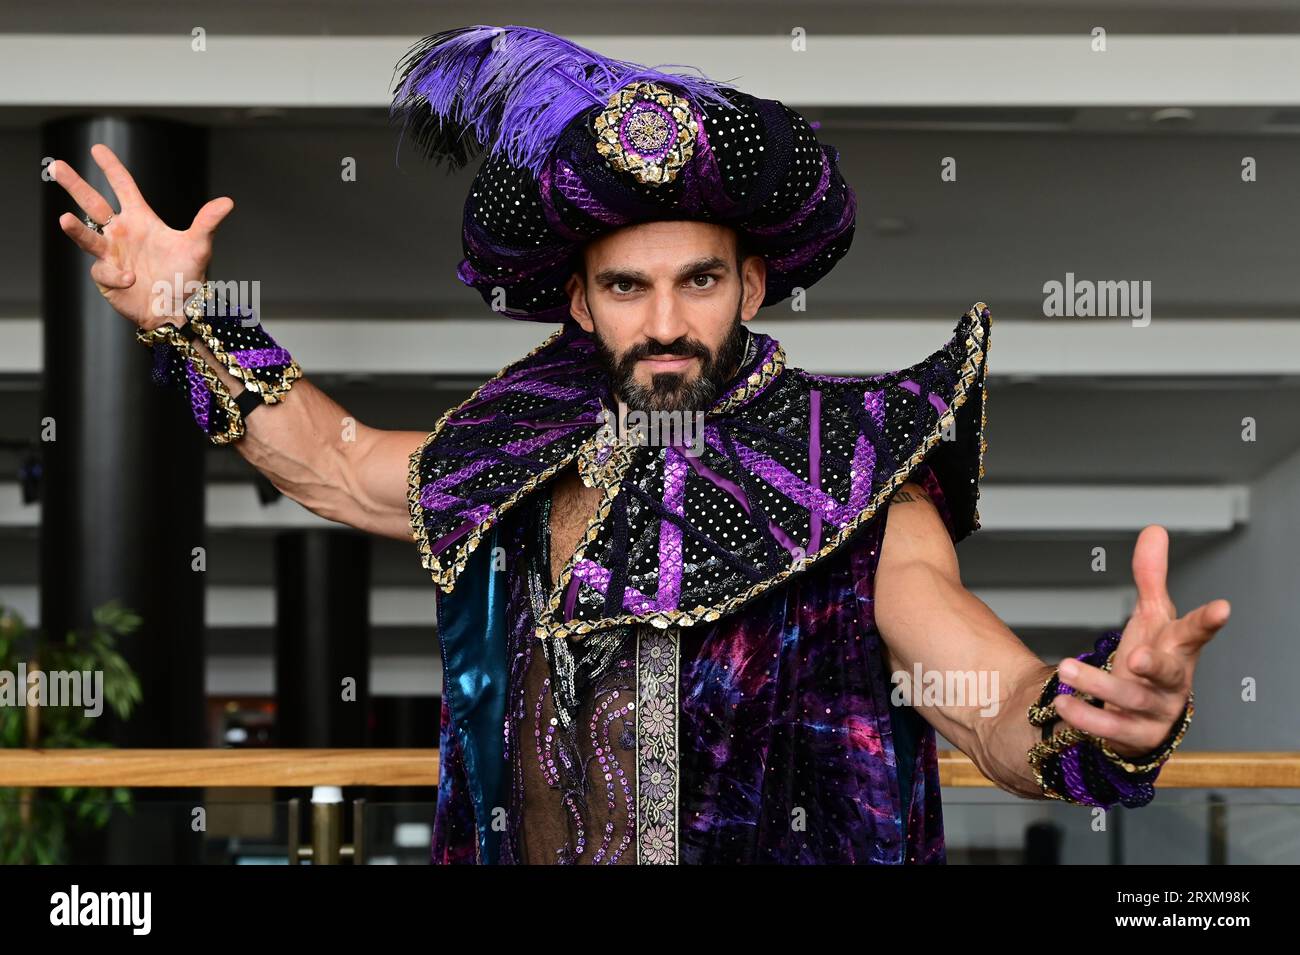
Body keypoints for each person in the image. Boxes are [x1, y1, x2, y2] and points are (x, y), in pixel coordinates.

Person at [48, 25, 1228, 865]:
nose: (665, 321)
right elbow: (331, 459)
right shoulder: (513, 448)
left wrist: (1083, 713)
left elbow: (976, 694)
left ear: (752, 281)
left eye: (699, 278)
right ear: (579, 300)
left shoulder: (855, 467)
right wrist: (187, 320)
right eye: (627, 285)